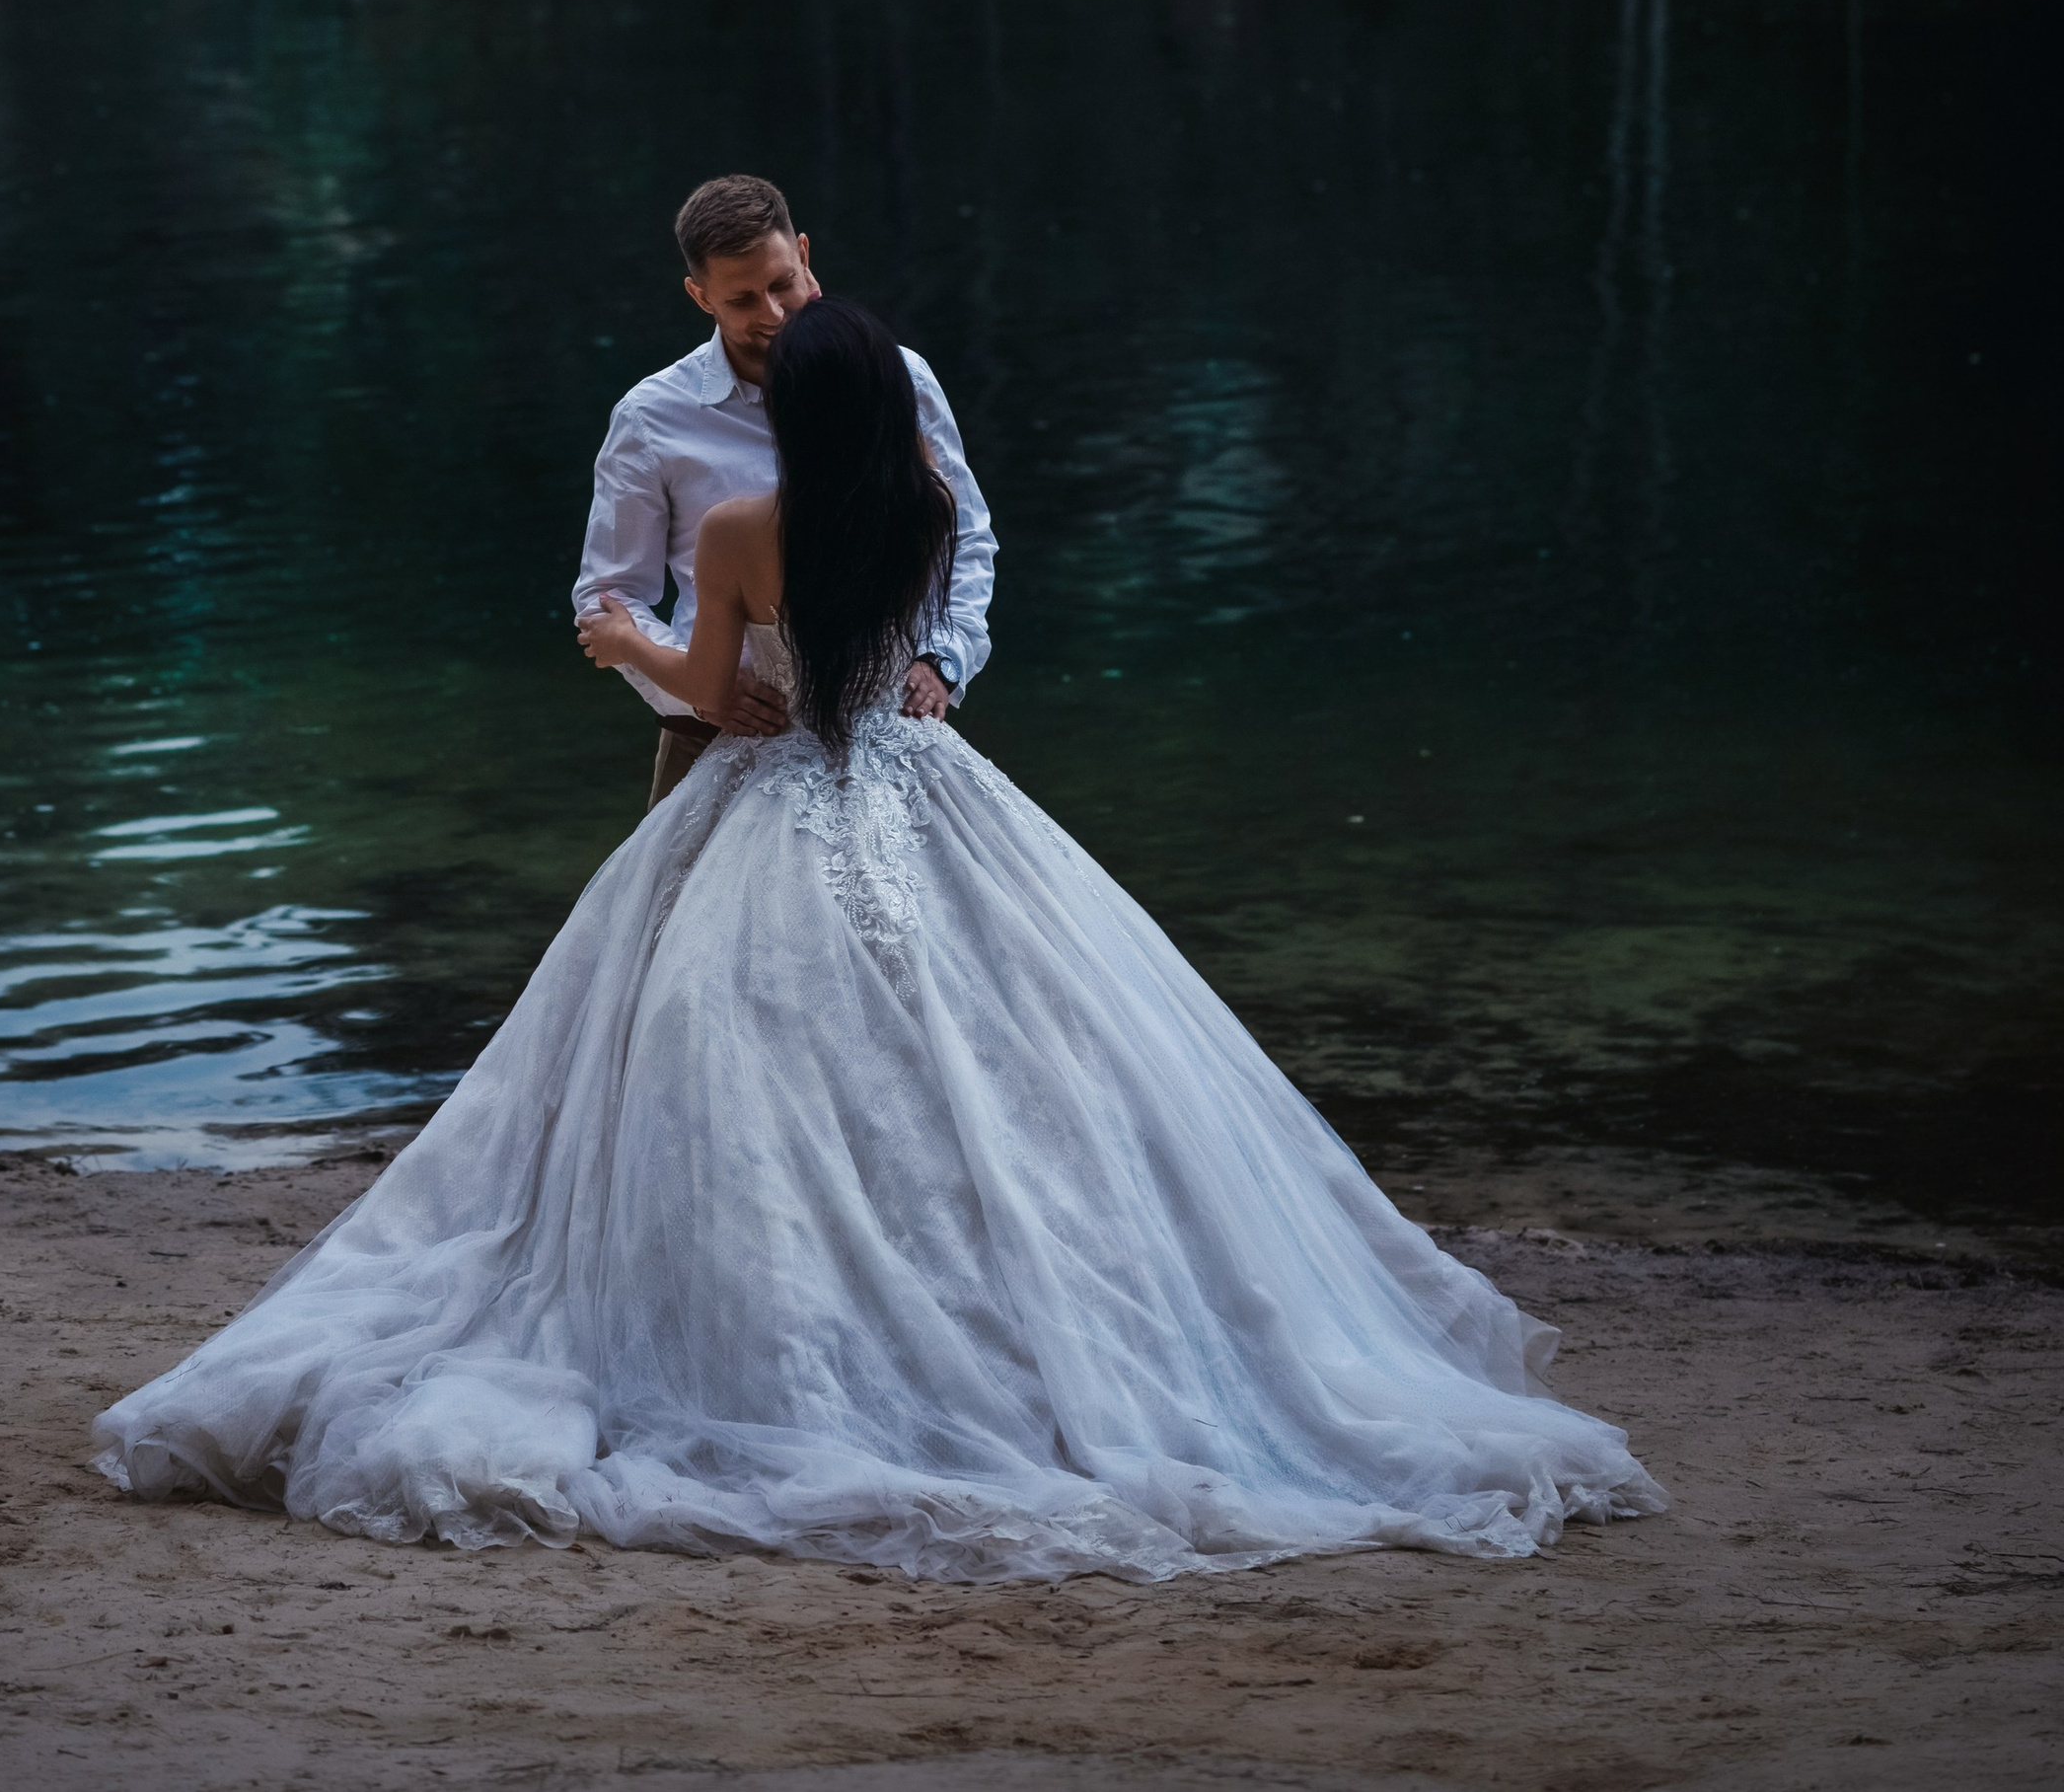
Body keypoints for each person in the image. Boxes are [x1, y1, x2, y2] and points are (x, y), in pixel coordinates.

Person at [96, 296, 1661, 1582]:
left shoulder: (733, 528)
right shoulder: (915, 511)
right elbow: (905, 644)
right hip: (921, 788)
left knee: (725, 1059)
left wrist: (618, 634)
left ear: (792, 405)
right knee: (1012, 1056)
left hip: (768, 807)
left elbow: (721, 698)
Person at [572, 173, 996, 807]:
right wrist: (708, 691)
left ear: (805, 256)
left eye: (781, 284)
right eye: (742, 300)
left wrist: (944, 658)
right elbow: (609, 594)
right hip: (712, 740)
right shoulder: (650, 418)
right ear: (700, 296)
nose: (771, 315)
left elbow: (968, 537)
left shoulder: (897, 377)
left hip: (892, 731)